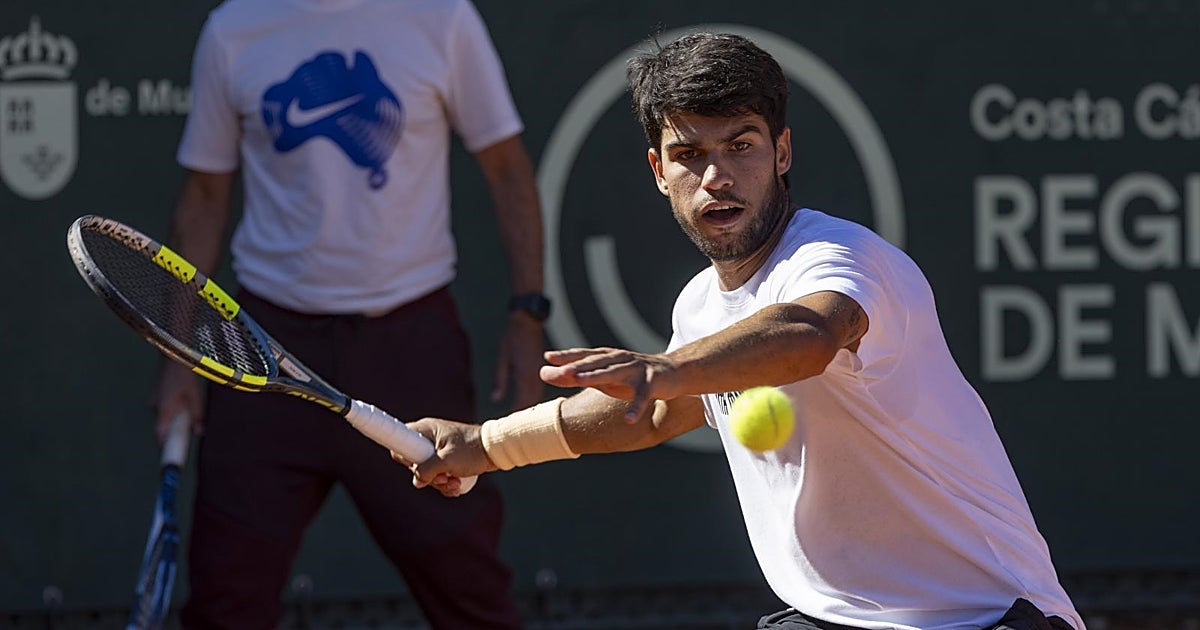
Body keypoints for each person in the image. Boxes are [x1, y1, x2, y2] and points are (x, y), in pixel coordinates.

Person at [399, 32, 1086, 630]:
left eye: (742, 145)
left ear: (782, 152)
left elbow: (808, 334)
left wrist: (662, 369)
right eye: (689, 154)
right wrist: (485, 446)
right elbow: (653, 414)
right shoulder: (700, 306)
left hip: (988, 617)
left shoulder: (843, 259)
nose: (718, 177)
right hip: (829, 617)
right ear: (657, 172)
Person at [153, 0, 545, 627]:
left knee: (468, 591)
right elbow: (203, 196)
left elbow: (507, 170)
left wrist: (528, 312)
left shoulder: (441, 18)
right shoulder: (235, 27)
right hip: (263, 349)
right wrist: (179, 356)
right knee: (226, 601)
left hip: (409, 349)